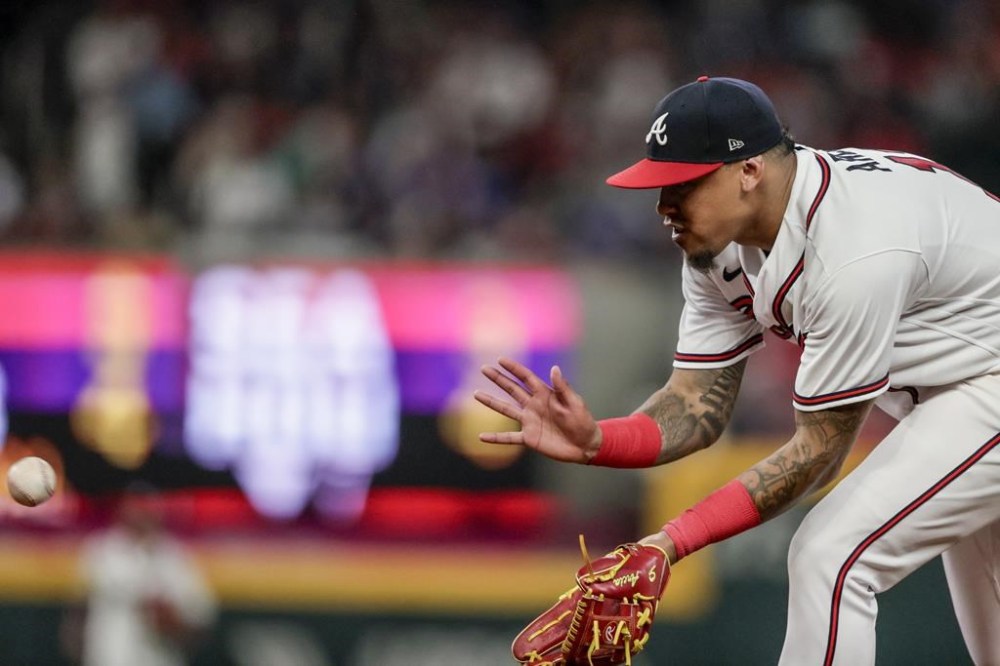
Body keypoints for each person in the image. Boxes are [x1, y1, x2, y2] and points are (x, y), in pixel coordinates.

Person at [475, 75, 1000, 665]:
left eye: (683, 184)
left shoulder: (855, 249)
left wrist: (670, 542)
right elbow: (695, 403)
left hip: (986, 386)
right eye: (660, 184)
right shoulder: (720, 243)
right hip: (962, 388)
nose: (663, 206)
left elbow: (818, 453)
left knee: (830, 558)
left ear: (749, 171)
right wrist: (601, 440)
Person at [75, 495, 217, 666]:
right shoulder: (100, 549)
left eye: (145, 503)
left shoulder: (175, 556)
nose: (139, 510)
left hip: (159, 658)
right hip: (108, 658)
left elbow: (201, 617)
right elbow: (79, 608)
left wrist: (175, 622)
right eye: (134, 503)